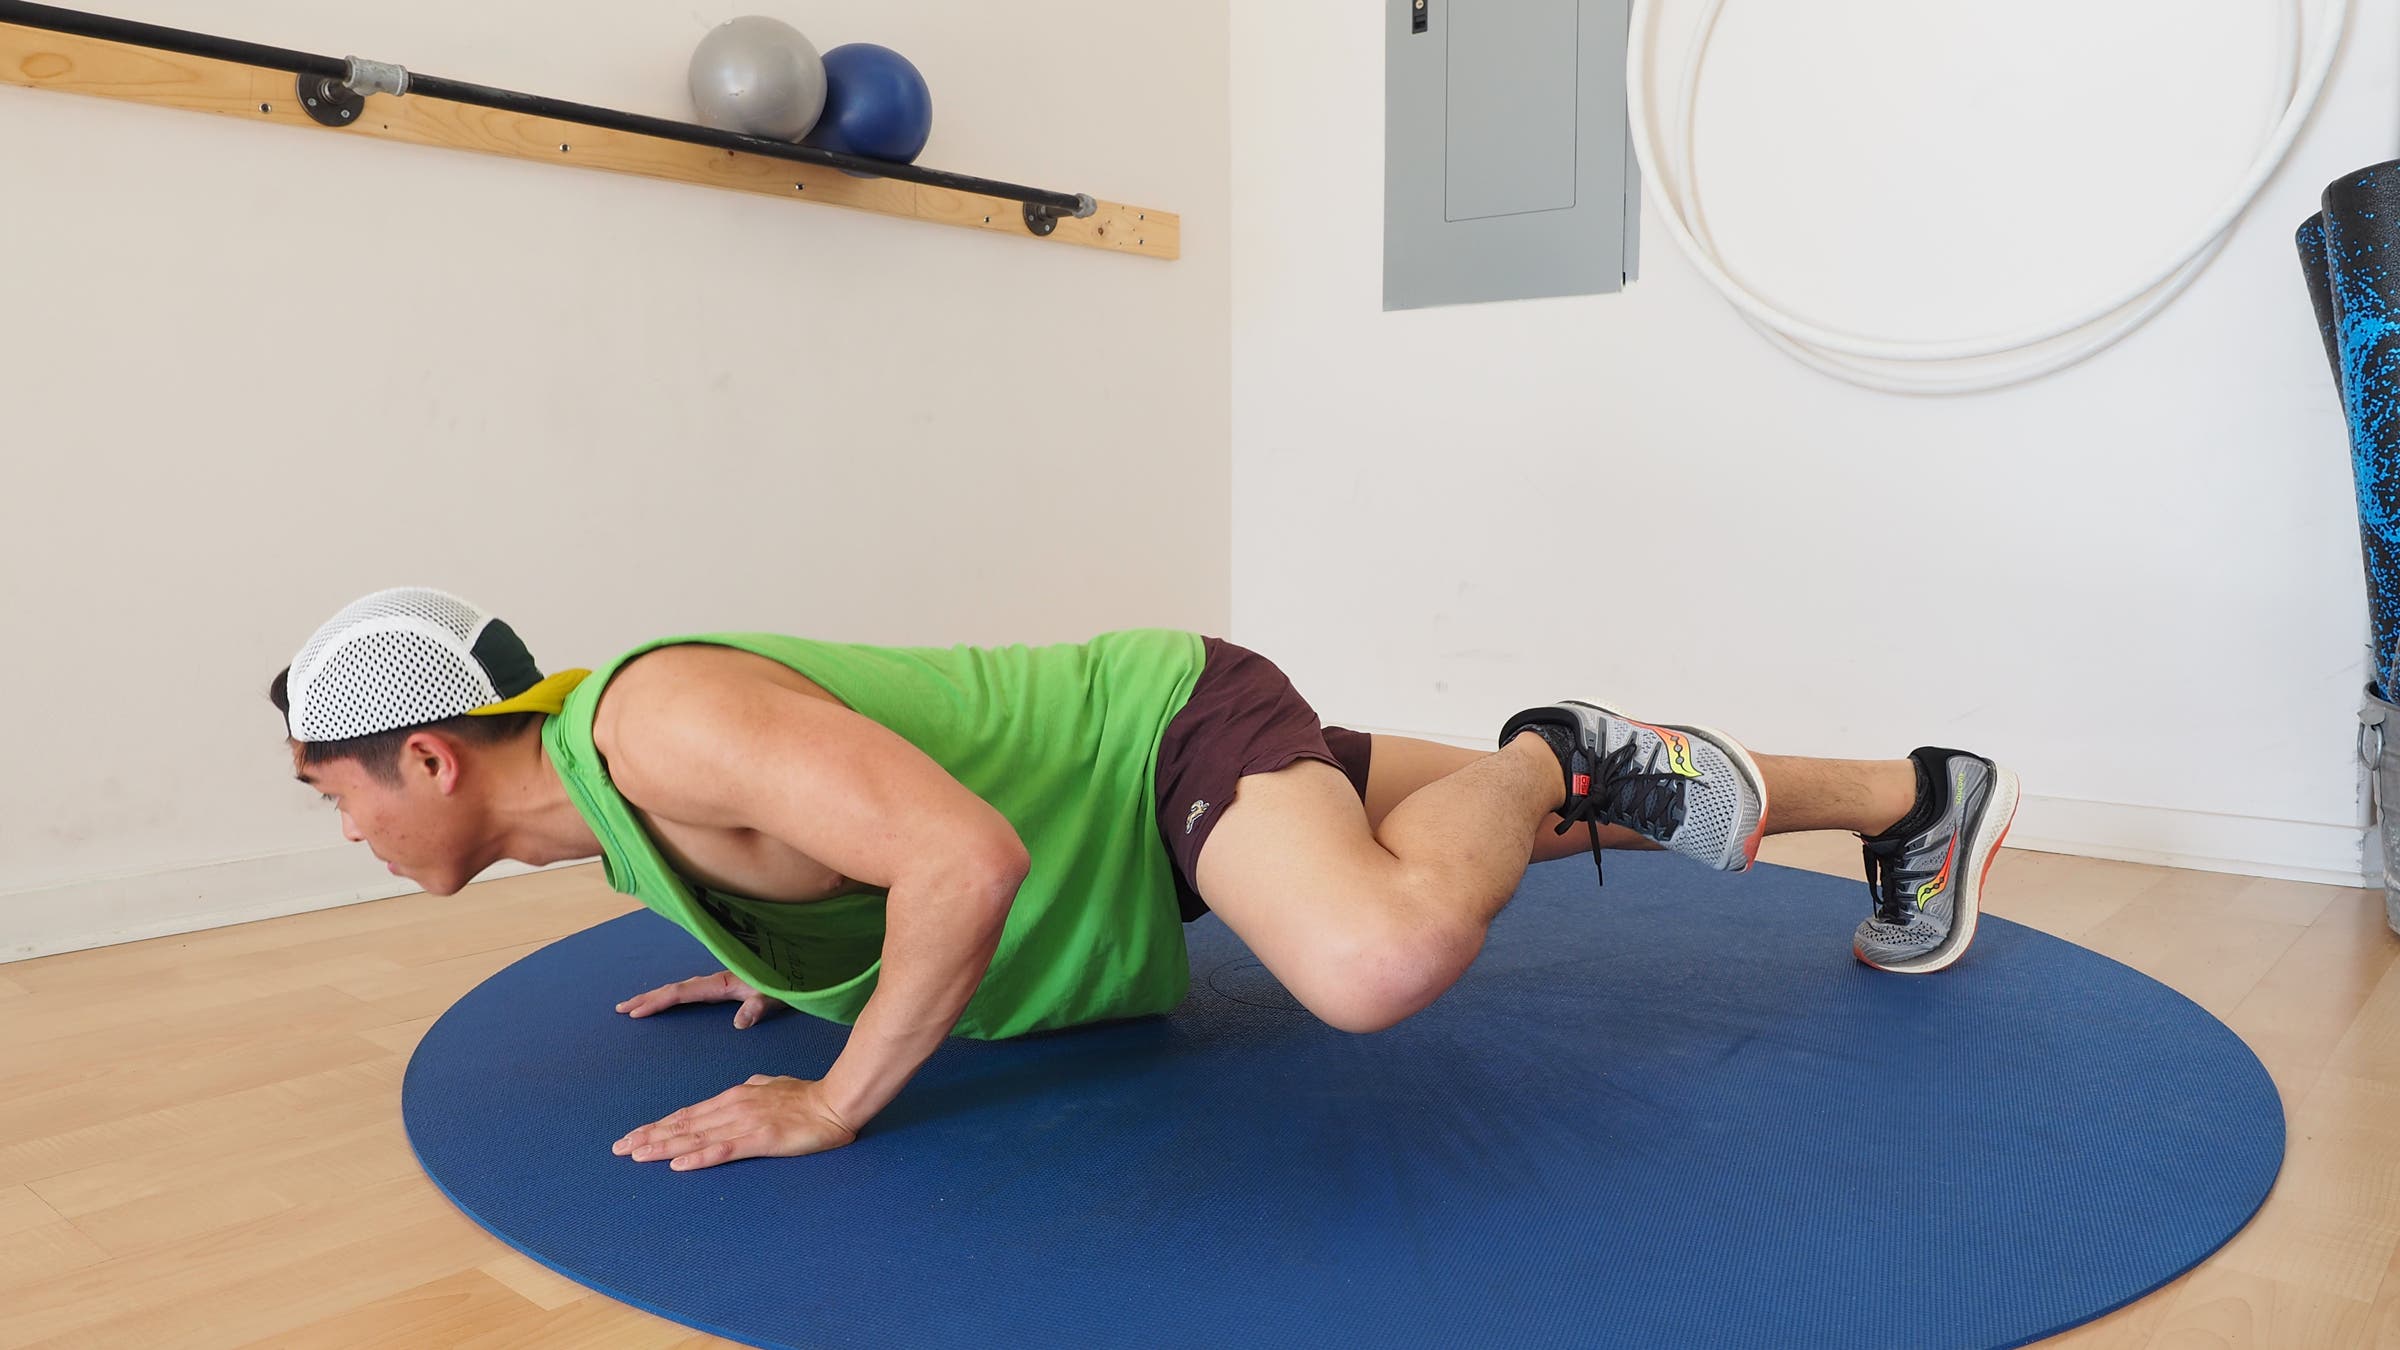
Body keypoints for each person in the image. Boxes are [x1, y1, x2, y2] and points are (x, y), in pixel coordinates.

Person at [272, 587, 2018, 1172]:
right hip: (1141, 816)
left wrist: (837, 1088)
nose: (338, 827)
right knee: (1569, 834)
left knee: (1383, 952)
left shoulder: (658, 718)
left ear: (426, 756)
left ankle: (1550, 745)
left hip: (1154, 735)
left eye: (328, 793)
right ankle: (1916, 799)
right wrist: (789, 960)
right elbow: (840, 855)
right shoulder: (602, 805)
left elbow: (963, 853)